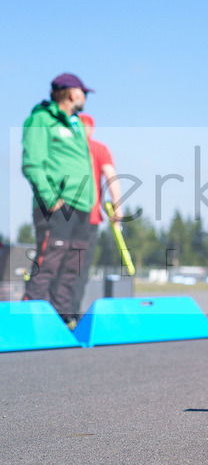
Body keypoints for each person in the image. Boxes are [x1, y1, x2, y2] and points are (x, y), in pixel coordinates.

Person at [21, 73, 97, 328]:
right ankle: (31, 318)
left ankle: (62, 319)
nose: (86, 97)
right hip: (57, 205)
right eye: (83, 92)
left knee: (73, 265)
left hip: (82, 205)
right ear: (72, 93)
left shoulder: (75, 124)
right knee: (49, 262)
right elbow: (32, 163)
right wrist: (51, 199)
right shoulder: (41, 119)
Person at [68, 113, 124, 313]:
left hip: (63, 217)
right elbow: (111, 177)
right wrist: (117, 207)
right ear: (91, 129)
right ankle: (70, 316)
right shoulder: (99, 149)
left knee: (58, 268)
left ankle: (54, 315)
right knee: (79, 270)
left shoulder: (66, 147)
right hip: (88, 218)